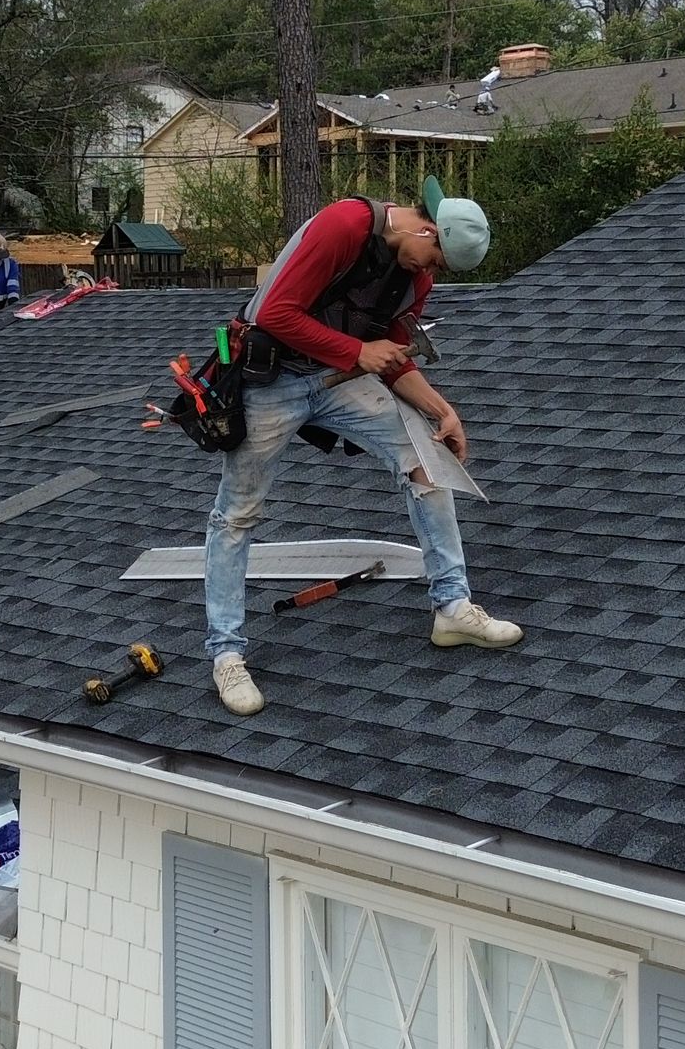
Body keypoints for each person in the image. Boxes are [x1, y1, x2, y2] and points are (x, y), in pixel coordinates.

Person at [204, 176, 522, 715]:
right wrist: (356, 352)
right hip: (271, 381)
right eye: (436, 260)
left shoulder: (413, 279)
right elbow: (276, 313)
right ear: (428, 230)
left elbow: (392, 355)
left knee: (427, 462)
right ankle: (226, 654)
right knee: (236, 514)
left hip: (336, 380)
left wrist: (441, 410)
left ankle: (452, 607)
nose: (431, 272)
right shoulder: (344, 225)